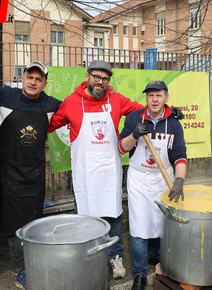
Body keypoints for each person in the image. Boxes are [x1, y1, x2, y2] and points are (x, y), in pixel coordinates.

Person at [48, 61, 183, 279]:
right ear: (87, 76)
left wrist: (170, 110)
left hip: (109, 170)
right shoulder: (72, 102)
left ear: (109, 81)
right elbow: (51, 124)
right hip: (84, 172)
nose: (100, 82)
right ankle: (84, 257)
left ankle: (115, 256)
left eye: (105, 78)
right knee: (83, 216)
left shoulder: (116, 100)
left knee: (114, 216)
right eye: (96, 77)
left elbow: (145, 110)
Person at [118, 80, 187, 290]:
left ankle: (158, 260)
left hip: (162, 179)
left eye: (159, 95)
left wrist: (179, 180)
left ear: (166, 97)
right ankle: (139, 274)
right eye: (150, 95)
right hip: (139, 179)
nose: (154, 99)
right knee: (139, 227)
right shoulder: (134, 118)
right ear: (146, 98)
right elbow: (122, 147)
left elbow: (180, 156)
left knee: (161, 224)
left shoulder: (174, 124)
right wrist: (134, 135)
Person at [0, 61, 61, 290]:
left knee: (33, 225)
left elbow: (76, 107)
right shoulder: (6, 96)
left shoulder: (50, 104)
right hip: (9, 175)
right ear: (23, 77)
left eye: (38, 79)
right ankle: (20, 269)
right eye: (30, 77)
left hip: (35, 178)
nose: (33, 82)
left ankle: (31, 264)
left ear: (44, 83)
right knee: (14, 226)